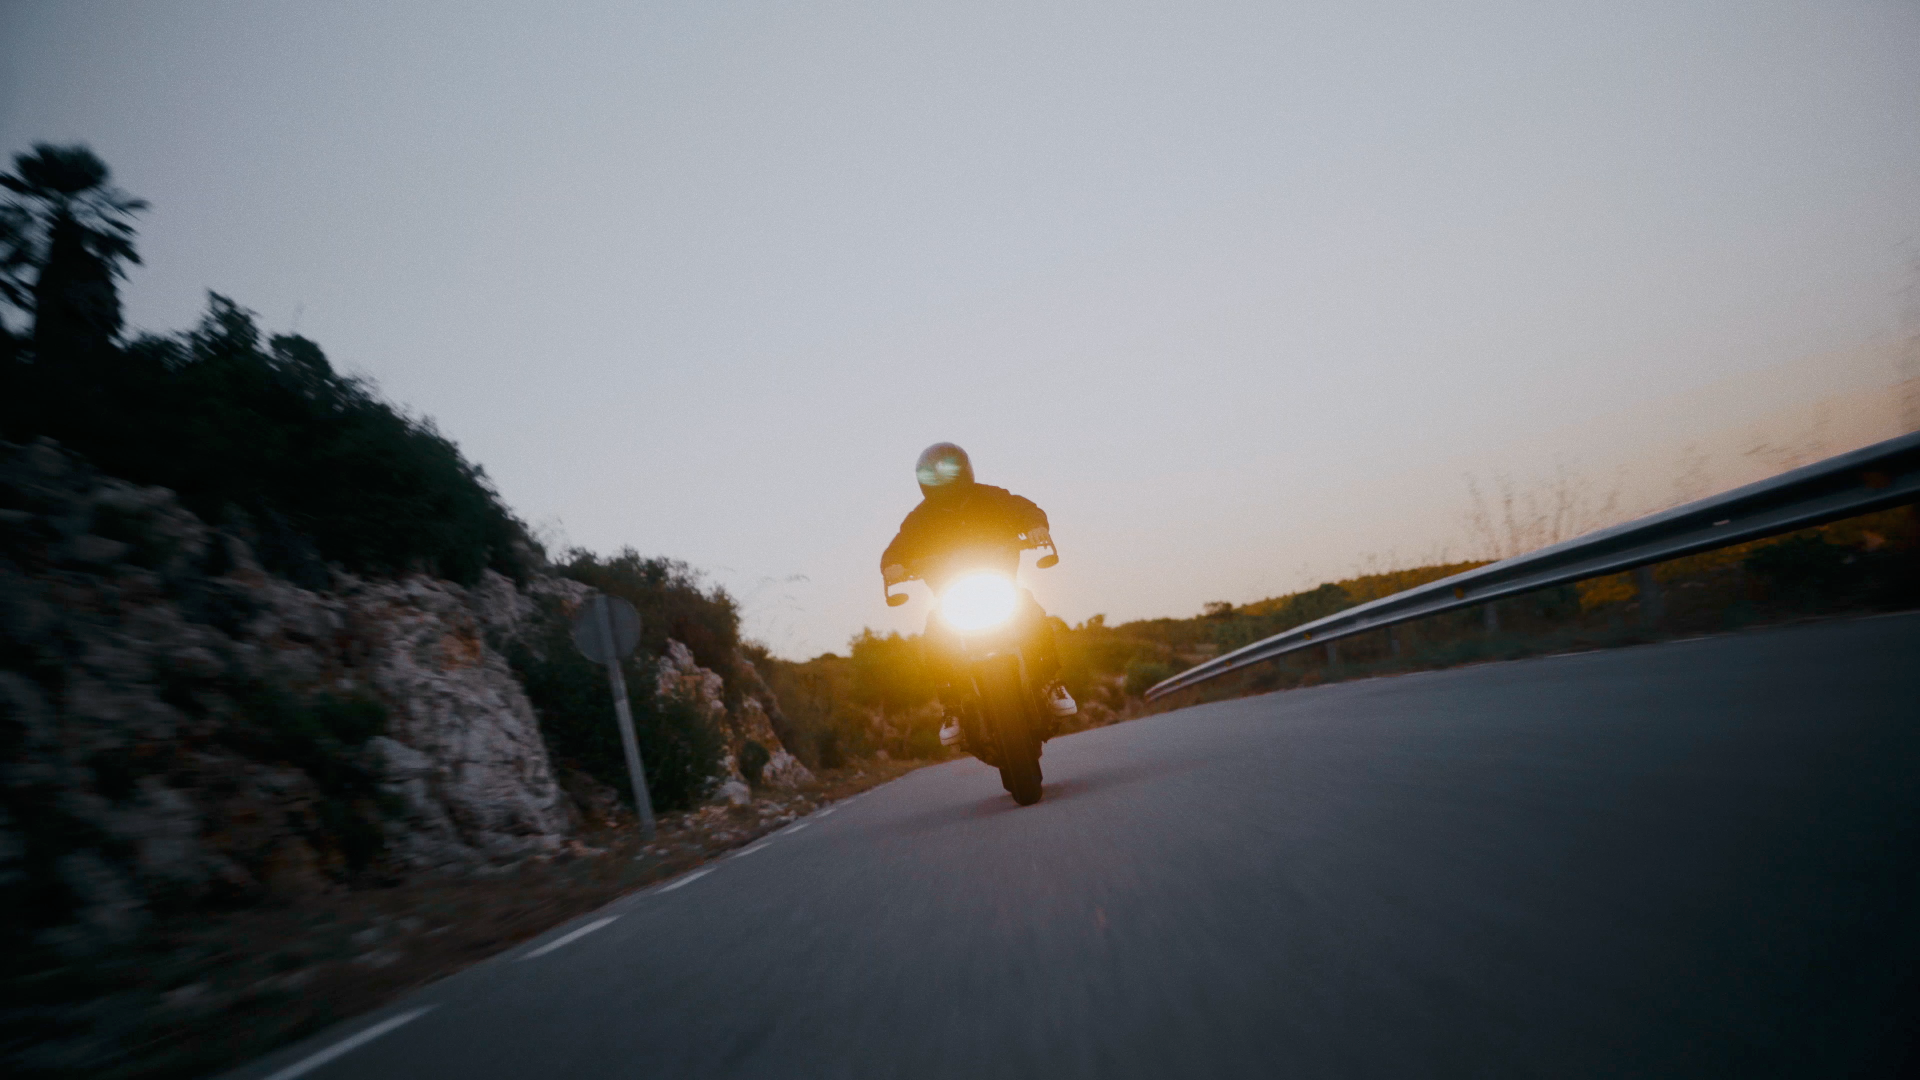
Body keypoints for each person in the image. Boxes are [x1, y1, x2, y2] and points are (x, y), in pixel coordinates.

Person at [880, 443, 1075, 746]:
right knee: (935, 632)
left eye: (948, 472)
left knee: (1029, 609)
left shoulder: (992, 497)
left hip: (999, 585)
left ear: (963, 470)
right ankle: (952, 707)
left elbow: (1026, 509)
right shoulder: (918, 519)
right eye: (935, 476)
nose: (943, 481)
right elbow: (897, 548)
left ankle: (1051, 683)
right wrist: (892, 566)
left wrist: (1036, 526)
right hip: (952, 597)